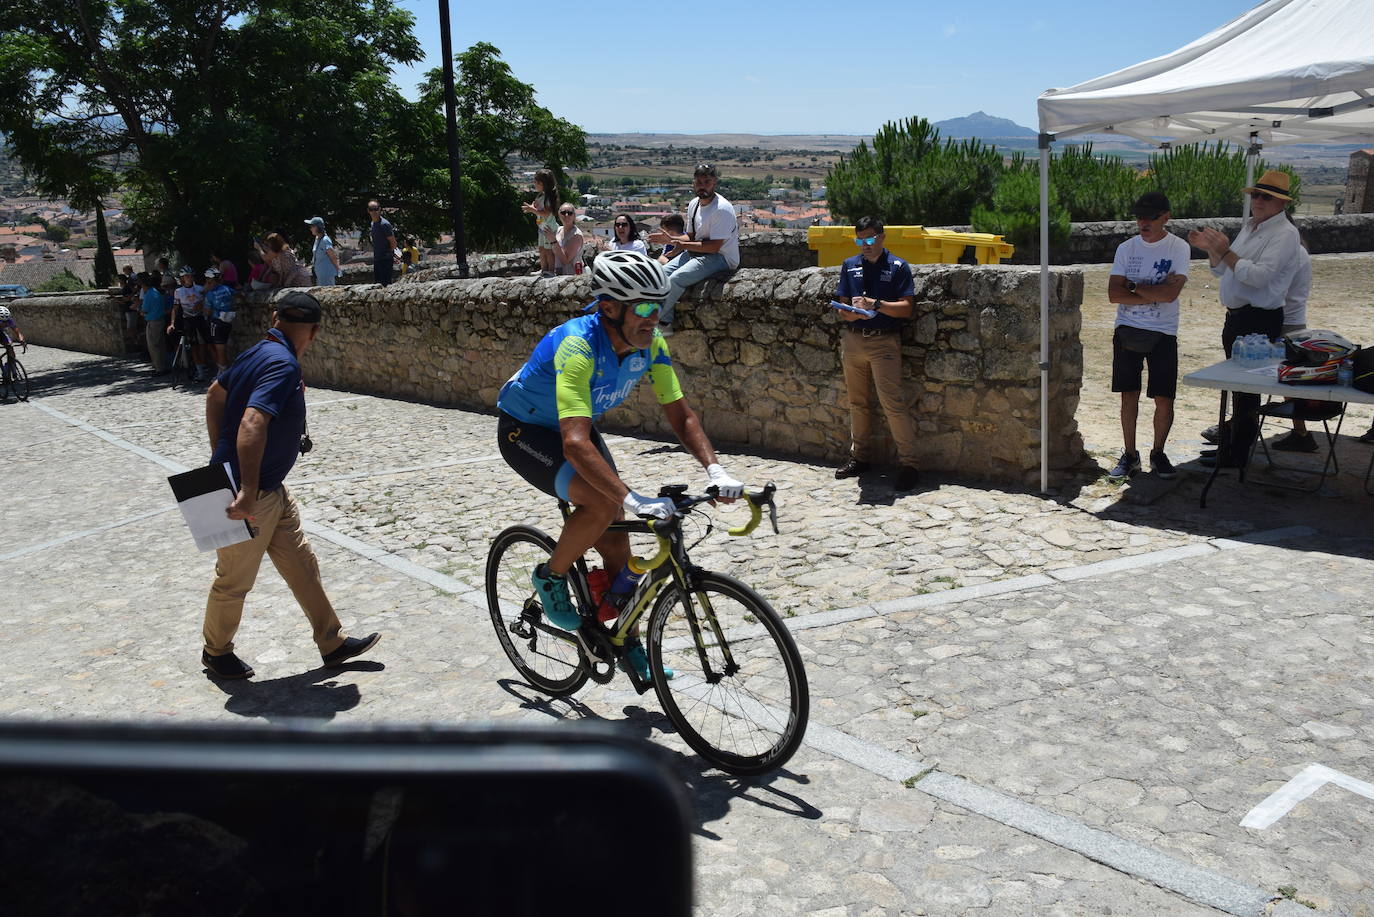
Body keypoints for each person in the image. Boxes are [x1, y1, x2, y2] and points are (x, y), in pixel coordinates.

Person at [495, 250, 744, 681]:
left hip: (575, 426)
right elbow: (573, 444)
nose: (655, 316)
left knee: (617, 547)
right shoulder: (577, 346)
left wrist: (715, 471)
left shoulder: (650, 345)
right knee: (604, 504)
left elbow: (681, 415)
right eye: (644, 307)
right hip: (527, 431)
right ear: (609, 307)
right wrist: (632, 497)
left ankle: (622, 640)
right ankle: (551, 576)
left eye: (661, 305)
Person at [201, 291, 380, 679]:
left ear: (275, 316)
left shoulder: (257, 352)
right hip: (248, 494)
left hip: (267, 488)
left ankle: (331, 642)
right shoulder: (281, 364)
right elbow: (252, 423)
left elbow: (216, 394)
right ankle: (216, 652)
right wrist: (243, 487)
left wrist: (221, 457)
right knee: (233, 579)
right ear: (314, 331)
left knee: (302, 565)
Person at [1188, 170, 1301, 468]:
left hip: (1259, 320)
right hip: (1238, 318)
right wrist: (1215, 251)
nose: (1258, 200)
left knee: (1247, 390)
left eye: (1267, 196)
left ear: (1281, 204)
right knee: (1236, 387)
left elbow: (1259, 277)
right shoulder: (1251, 227)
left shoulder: (1285, 234)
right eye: (1256, 194)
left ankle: (1237, 454)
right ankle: (1231, 446)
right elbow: (1222, 270)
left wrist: (1224, 251)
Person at [1104, 192, 1192, 481]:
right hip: (1127, 330)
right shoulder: (1126, 248)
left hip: (1163, 332)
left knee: (1164, 397)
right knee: (1128, 395)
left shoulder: (1178, 247)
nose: (1143, 222)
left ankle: (1158, 452)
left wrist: (1133, 286)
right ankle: (1130, 454)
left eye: (1150, 217)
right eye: (1139, 216)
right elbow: (1114, 295)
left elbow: (1170, 294)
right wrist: (1150, 291)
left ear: (1166, 216)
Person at [831, 216, 921, 492]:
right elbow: (842, 303)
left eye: (870, 239)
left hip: (884, 342)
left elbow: (906, 308)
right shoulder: (849, 266)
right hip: (854, 340)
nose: (865, 245)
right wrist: (846, 313)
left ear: (881, 237)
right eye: (860, 240)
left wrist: (876, 304)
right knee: (857, 402)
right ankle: (860, 456)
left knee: (892, 403)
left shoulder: (897, 267)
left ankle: (910, 464)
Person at [647, 163, 740, 334]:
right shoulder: (694, 204)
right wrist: (672, 240)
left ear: (715, 183)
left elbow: (713, 247)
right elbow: (690, 236)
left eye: (707, 182)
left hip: (722, 257)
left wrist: (681, 245)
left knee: (676, 279)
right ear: (693, 183)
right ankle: (666, 323)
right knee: (660, 275)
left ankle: (653, 322)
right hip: (697, 253)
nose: (702, 186)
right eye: (699, 182)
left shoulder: (721, 209)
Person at [1271, 240, 1317, 452]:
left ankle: (1301, 432)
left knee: (1288, 381)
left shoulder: (1291, 252)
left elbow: (1273, 286)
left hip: (1286, 321)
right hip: (1292, 319)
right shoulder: (1299, 251)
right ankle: (1300, 431)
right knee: (1288, 381)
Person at [169, 266, 211, 381]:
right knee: (194, 346)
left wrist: (201, 305)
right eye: (187, 276)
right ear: (182, 278)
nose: (189, 278)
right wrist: (172, 323)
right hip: (188, 320)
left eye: (191, 276)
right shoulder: (178, 291)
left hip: (200, 318)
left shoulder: (199, 289)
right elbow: (175, 308)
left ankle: (209, 366)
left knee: (208, 342)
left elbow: (207, 301)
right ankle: (200, 371)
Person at [521, 169, 560, 277]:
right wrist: (532, 208)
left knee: (549, 251)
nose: (535, 184)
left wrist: (532, 209)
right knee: (542, 250)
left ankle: (551, 271)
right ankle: (543, 270)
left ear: (544, 184)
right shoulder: (541, 196)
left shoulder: (548, 199)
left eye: (537, 182)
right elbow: (539, 211)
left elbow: (546, 214)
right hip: (542, 228)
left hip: (548, 229)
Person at [201, 267, 235, 375]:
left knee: (220, 350)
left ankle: (223, 375)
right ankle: (224, 372)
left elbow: (207, 312)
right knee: (226, 349)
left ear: (209, 280)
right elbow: (239, 294)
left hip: (217, 323)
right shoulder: (227, 289)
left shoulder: (210, 294)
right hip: (228, 322)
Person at [140, 271, 169, 374]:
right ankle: (163, 365)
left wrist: (141, 312)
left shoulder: (149, 294)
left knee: (153, 346)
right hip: (161, 320)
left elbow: (144, 310)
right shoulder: (157, 292)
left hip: (153, 321)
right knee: (161, 344)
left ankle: (159, 368)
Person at [367, 200, 399, 286]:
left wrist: (392, 256)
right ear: (368, 211)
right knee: (377, 285)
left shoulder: (384, 224)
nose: (374, 212)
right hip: (377, 259)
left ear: (380, 209)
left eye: (376, 209)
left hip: (385, 259)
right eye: (371, 209)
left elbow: (393, 242)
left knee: (385, 284)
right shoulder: (372, 224)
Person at [0, 304, 26, 401]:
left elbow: (17, 331)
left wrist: (21, 339)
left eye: (6, 321)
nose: (4, 323)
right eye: (2, 321)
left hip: (1, 333)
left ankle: (11, 366)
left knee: (10, 346)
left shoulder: (9, 321)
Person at [305, 216, 340, 286]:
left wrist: (338, 269)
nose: (310, 228)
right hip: (320, 275)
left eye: (312, 226)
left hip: (326, 274)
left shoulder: (325, 240)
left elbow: (332, 256)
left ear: (317, 227)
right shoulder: (317, 239)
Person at [552, 204, 585, 275]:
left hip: (572, 277)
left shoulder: (576, 235)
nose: (566, 215)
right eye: (563, 212)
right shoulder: (558, 230)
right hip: (557, 275)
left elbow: (565, 260)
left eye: (570, 213)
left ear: (574, 216)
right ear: (559, 214)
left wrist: (553, 241)